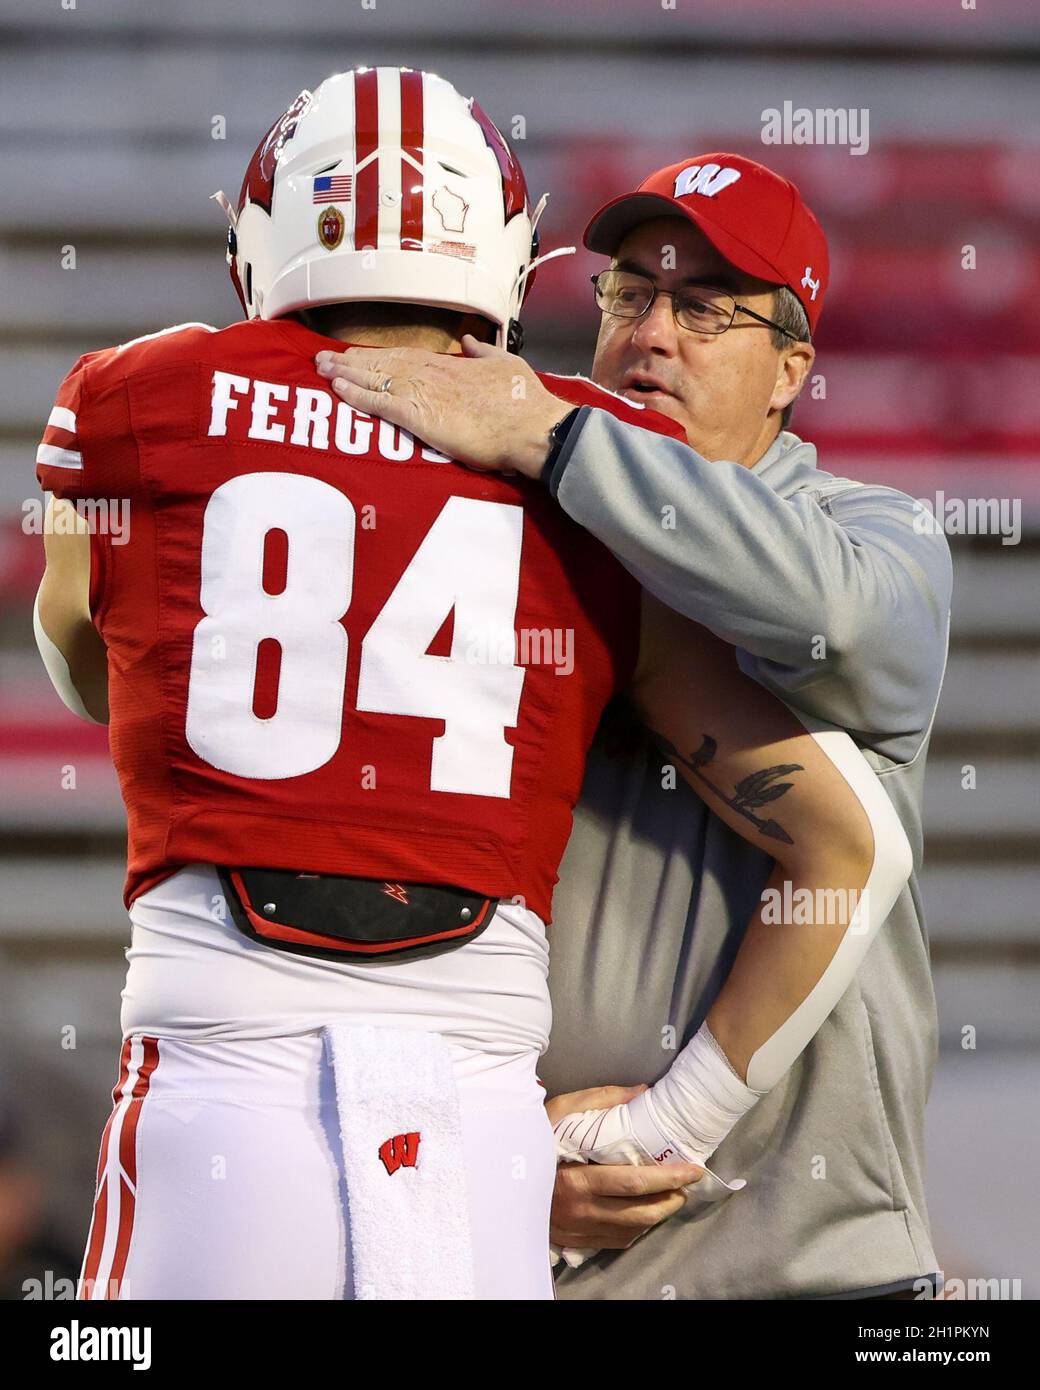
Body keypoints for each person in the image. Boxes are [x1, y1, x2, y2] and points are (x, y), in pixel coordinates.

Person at [315, 152, 954, 1299]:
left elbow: (838, 624)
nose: (651, 334)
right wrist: (502, 1163)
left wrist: (557, 441)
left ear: (788, 371)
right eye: (627, 295)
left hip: (811, 1271)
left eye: (703, 308)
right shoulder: (508, 526)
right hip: (556, 1260)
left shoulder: (871, 535)